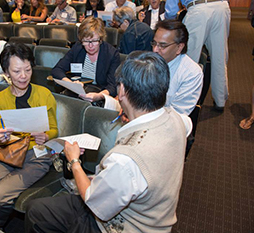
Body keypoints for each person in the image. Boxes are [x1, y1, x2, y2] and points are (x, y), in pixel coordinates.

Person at [25, 51, 192, 233]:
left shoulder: (125, 160)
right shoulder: (179, 120)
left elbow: (93, 199)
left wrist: (74, 161)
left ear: (121, 91)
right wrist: (132, 114)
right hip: (157, 219)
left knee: (36, 212)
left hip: (122, 226)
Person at [0, 42, 58, 228]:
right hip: (8, 153)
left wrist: (46, 136)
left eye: (28, 69)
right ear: (6, 73)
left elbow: (54, 128)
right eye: (17, 71)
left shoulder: (44, 94)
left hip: (37, 155)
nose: (24, 76)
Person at [165, 0, 231, 112]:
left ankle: (182, 101)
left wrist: (168, 21)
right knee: (219, 57)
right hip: (221, 6)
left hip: (198, 10)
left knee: (187, 59)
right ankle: (220, 100)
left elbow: (171, 9)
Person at [52, 17, 120, 102]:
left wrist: (99, 96)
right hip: (77, 94)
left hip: (100, 94)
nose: (90, 46)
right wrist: (71, 84)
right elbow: (57, 70)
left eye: (95, 41)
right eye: (86, 41)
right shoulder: (78, 48)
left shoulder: (111, 54)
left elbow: (112, 86)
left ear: (101, 39)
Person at [153, 20, 203, 115]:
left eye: (162, 46)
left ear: (179, 47)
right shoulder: (149, 61)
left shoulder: (191, 73)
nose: (155, 49)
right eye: (154, 43)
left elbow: (176, 115)